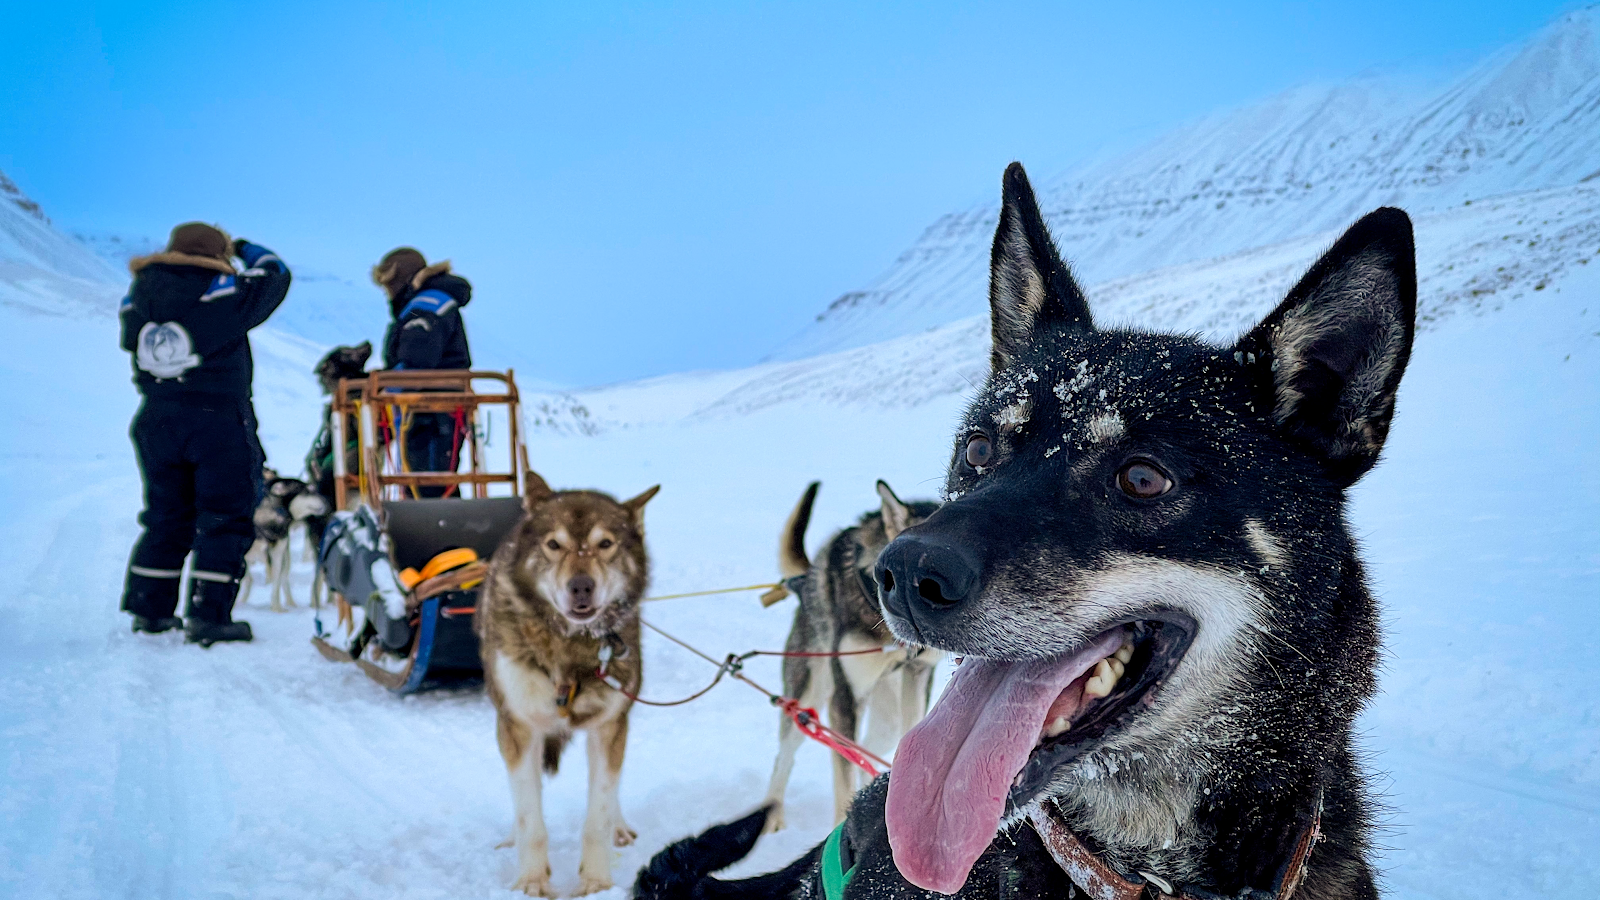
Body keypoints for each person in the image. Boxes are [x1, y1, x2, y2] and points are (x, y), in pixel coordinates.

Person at [119, 223, 291, 645]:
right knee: (225, 516)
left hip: (156, 416)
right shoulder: (224, 289)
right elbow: (276, 273)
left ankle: (150, 609)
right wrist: (246, 246)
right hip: (217, 418)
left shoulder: (138, 293)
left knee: (165, 515)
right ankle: (209, 616)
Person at [371, 247, 472, 498]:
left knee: (428, 484)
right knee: (429, 480)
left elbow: (415, 361)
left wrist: (384, 389)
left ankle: (439, 534)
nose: (387, 294)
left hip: (431, 410)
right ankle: (442, 531)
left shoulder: (425, 307)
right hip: (433, 408)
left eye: (388, 285)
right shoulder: (431, 303)